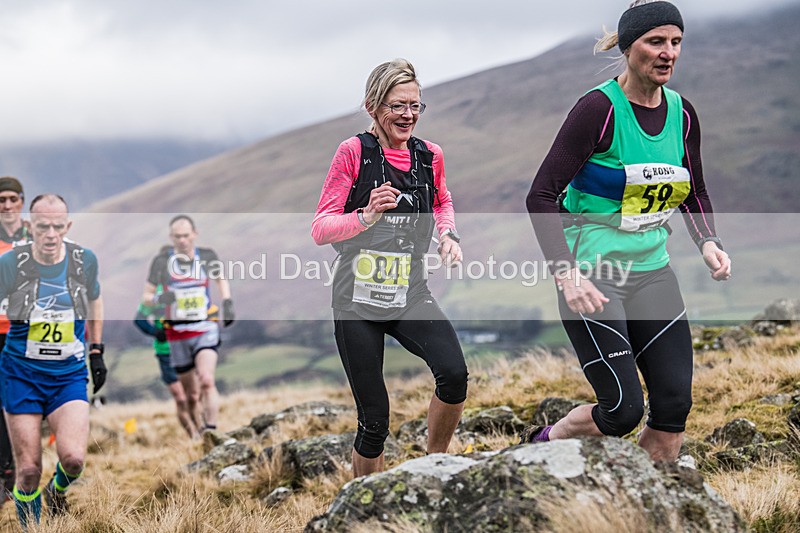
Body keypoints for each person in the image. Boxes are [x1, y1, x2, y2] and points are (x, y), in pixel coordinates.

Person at [524, 0, 731, 462]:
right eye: (655, 42)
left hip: (653, 272)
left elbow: (693, 189)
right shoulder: (597, 110)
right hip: (595, 276)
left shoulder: (683, 113)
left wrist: (709, 242)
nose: (668, 53)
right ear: (627, 45)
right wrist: (567, 275)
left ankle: (651, 508)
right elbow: (540, 197)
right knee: (621, 410)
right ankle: (538, 449)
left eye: (676, 42)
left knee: (674, 403)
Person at [312, 59, 468, 477]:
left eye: (416, 106)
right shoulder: (353, 153)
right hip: (356, 300)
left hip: (410, 292)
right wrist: (364, 216)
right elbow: (322, 228)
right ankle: (368, 503)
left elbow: (441, 200)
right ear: (373, 106)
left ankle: (434, 465)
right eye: (398, 106)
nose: (408, 115)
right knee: (375, 419)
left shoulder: (429, 155)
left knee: (454, 376)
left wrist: (448, 235)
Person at [0, 194, 105, 527]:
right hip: (21, 373)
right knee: (28, 470)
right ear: (30, 226)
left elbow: (95, 299)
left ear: (68, 226)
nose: (50, 234)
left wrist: (97, 349)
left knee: (73, 460)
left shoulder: (83, 260)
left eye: (57, 226)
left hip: (67, 374)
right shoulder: (10, 263)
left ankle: (56, 492)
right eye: (42, 226)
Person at [142, 215, 234, 435]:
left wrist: (227, 303)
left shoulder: (207, 256)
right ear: (171, 237)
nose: (182, 240)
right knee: (191, 396)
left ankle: (211, 431)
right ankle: (197, 433)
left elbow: (221, 279)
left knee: (207, 380)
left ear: (194, 234)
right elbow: (146, 296)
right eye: (177, 236)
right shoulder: (161, 262)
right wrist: (159, 299)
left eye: (186, 235)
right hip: (176, 333)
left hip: (204, 327)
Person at [0, 177, 30, 503]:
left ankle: (20, 469)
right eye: (1, 199)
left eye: (12, 199)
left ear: (22, 201)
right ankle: (6, 471)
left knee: (19, 401)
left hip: (26, 331)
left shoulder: (35, 235)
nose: (7, 205)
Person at [134, 285, 197, 438]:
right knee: (181, 398)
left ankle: (203, 431)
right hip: (165, 352)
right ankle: (194, 436)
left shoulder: (186, 288)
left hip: (186, 347)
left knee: (193, 397)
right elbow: (139, 319)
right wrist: (155, 332)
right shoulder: (157, 294)